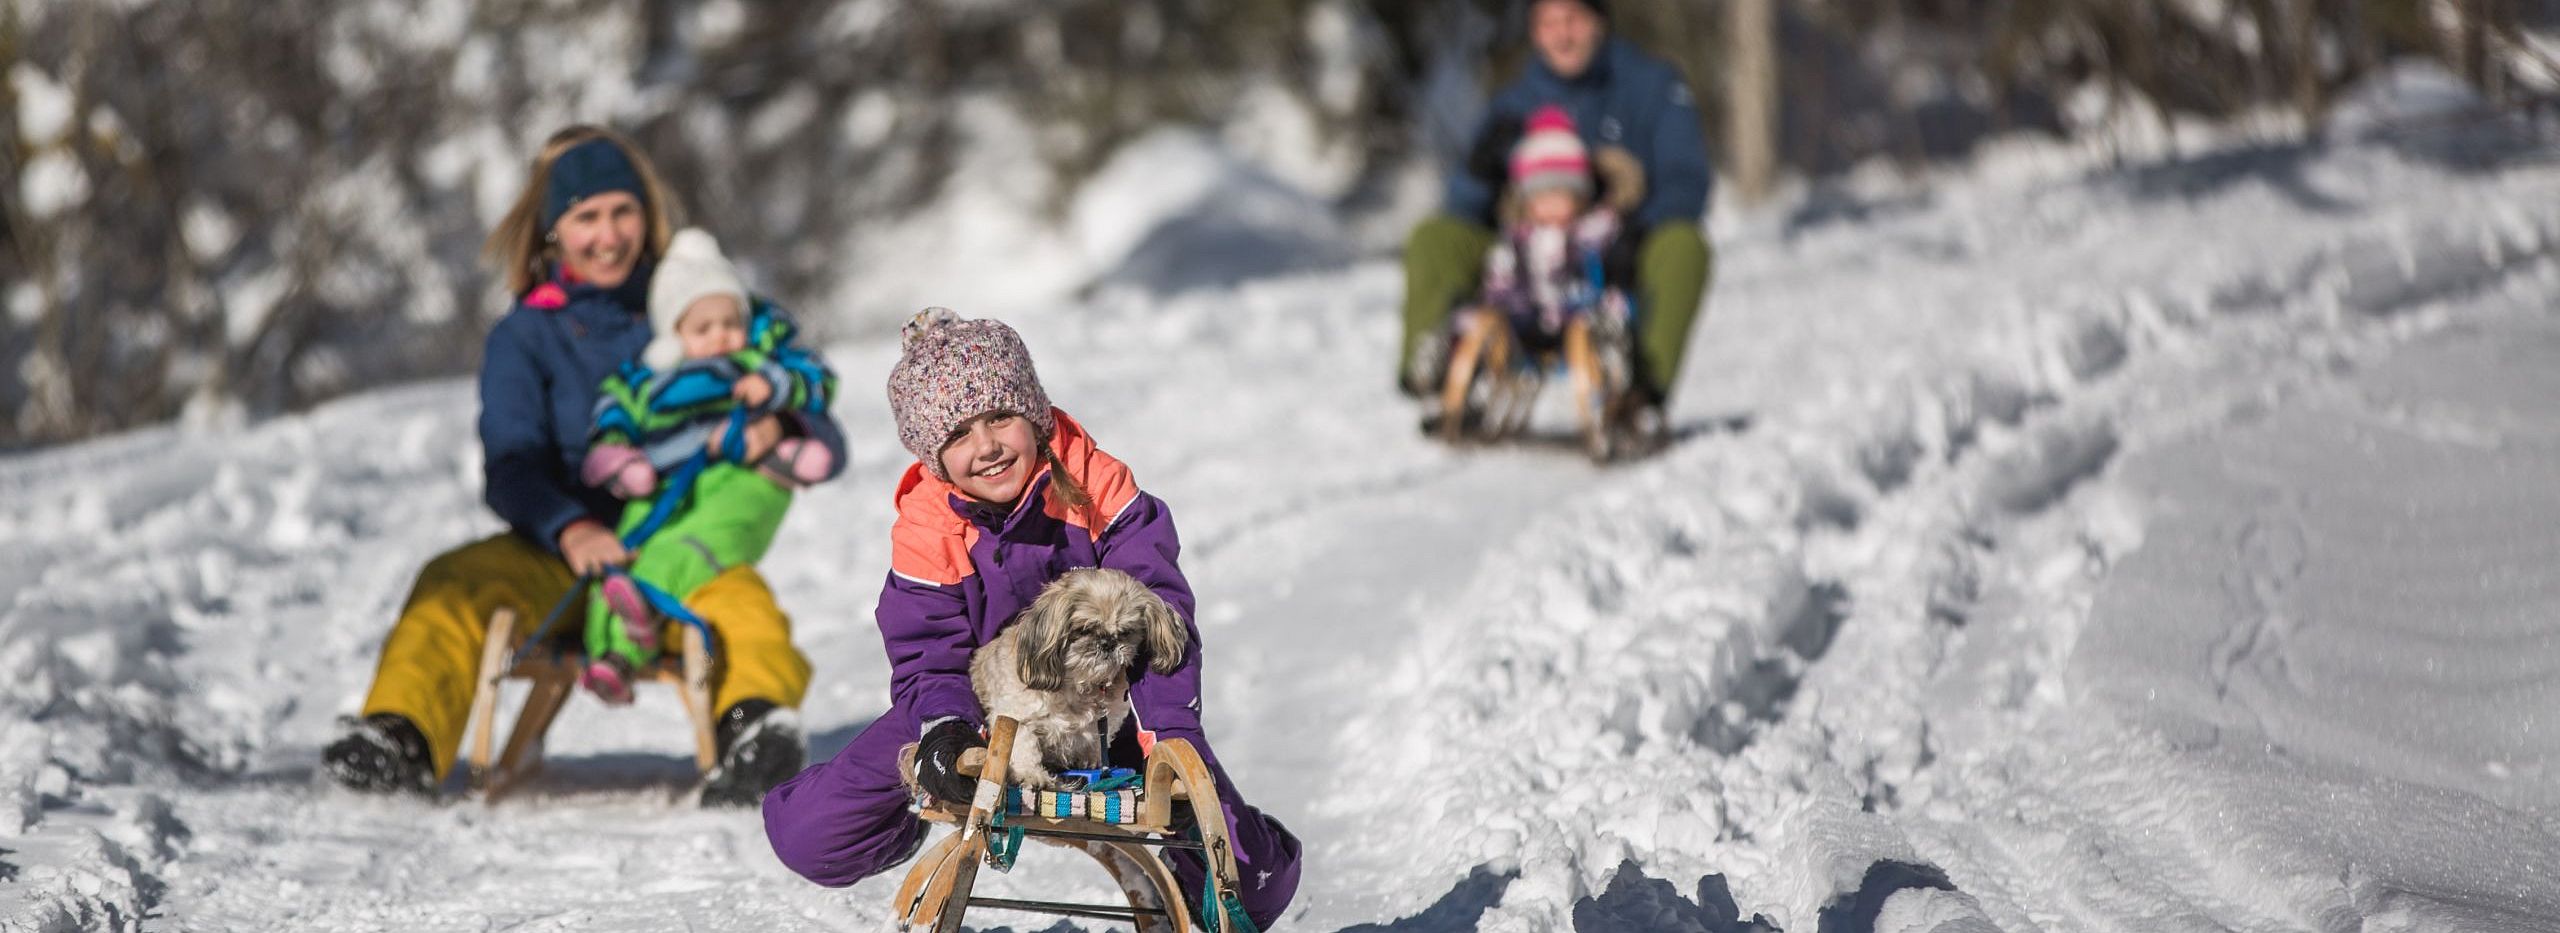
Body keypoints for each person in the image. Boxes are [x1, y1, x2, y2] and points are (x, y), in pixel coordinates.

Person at [320, 126, 843, 808]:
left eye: (622, 211)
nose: (609, 234)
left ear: (647, 216)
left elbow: (808, 394)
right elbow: (510, 462)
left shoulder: (693, 305)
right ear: (551, 230)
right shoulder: (525, 337)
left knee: (739, 601)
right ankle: (402, 735)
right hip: (562, 558)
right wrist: (569, 529)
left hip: (672, 547)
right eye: (585, 216)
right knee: (454, 583)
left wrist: (783, 422)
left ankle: (754, 729)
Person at [759, 309, 1302, 929]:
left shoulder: (1099, 486)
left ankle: (1242, 848)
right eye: (958, 434)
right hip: (981, 709)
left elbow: (1160, 617)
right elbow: (928, 654)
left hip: (1111, 709)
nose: (986, 446)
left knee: (1253, 884)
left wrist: (1169, 736)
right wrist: (946, 733)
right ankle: (915, 808)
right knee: (810, 834)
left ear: (1034, 414)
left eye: (999, 418)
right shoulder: (929, 528)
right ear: (934, 455)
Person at [1400, 0, 1714, 420]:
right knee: (1435, 237)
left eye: (1573, 20)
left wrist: (1632, 227)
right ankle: (1440, 371)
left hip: (1618, 248)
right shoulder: (1514, 101)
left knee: (1684, 245)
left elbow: (1686, 180)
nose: (1562, 35)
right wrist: (1481, 171)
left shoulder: (1651, 86)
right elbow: (1464, 206)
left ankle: (1639, 392)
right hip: (1528, 257)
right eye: (1548, 23)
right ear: (1533, 30)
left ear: (1598, 22)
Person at [576, 228, 839, 704]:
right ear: (675, 333)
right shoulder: (653, 377)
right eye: (703, 328)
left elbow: (816, 379)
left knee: (695, 545)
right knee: (621, 557)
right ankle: (613, 655)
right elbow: (615, 408)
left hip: (743, 477)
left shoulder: (760, 360)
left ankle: (639, 619)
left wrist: (775, 389)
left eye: (730, 322)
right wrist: (614, 453)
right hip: (663, 486)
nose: (720, 337)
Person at [1478, 104, 1640, 344]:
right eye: (1542, 196)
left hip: (1581, 315)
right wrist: (1502, 300)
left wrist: (1608, 302)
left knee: (1597, 321)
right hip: (1526, 323)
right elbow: (1500, 276)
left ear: (1579, 198)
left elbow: (1610, 277)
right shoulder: (1518, 239)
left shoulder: (1593, 232)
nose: (1551, 205)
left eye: (1560, 195)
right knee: (1485, 322)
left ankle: (1608, 348)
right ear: (1526, 201)